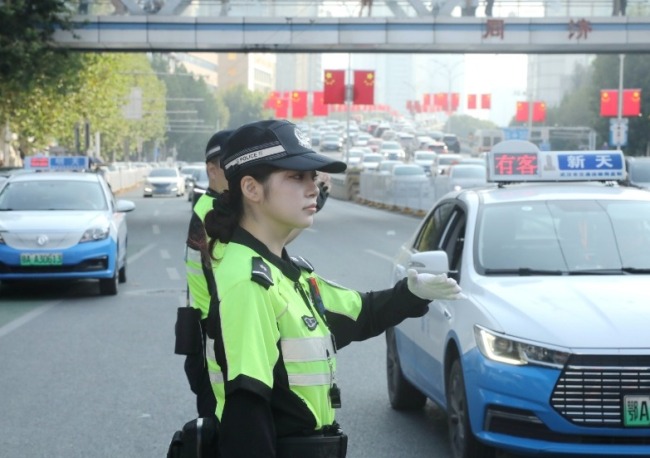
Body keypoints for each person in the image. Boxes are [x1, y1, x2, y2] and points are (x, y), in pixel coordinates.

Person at [202, 119, 464, 457]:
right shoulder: (249, 282)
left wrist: (413, 294)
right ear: (251, 189)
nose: (313, 188)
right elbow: (246, 411)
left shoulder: (285, 272)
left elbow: (360, 313)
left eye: (313, 177)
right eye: (296, 177)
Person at [180, 128, 331, 420]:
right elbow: (268, 244)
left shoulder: (217, 209)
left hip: (213, 324)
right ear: (212, 171)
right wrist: (311, 206)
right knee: (230, 419)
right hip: (210, 331)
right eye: (230, 164)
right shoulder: (211, 212)